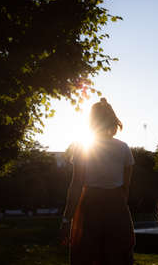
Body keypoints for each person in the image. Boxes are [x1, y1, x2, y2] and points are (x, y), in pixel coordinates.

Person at [60, 97, 135, 265]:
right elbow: (126, 187)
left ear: (91, 120)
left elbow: (76, 185)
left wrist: (67, 219)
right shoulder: (123, 148)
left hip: (89, 206)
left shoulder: (83, 147)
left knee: (86, 255)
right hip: (116, 206)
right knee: (117, 256)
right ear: (112, 120)